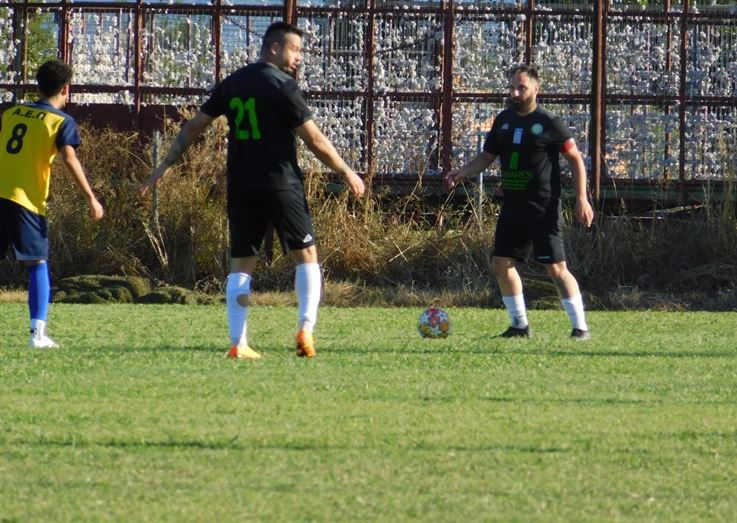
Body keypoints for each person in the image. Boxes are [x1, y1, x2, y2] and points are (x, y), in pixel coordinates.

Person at [140, 21, 365, 360]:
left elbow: (193, 127)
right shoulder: (283, 86)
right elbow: (315, 140)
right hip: (281, 183)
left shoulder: (233, 83)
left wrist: (164, 166)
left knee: (241, 264)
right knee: (306, 256)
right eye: (295, 49)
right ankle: (305, 328)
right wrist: (346, 170)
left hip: (242, 185)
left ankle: (238, 341)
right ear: (274, 48)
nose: (299, 57)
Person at [444, 64, 594, 340]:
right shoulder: (504, 120)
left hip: (543, 207)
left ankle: (580, 327)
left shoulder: (550, 123)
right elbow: (487, 156)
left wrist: (582, 199)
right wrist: (462, 173)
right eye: (512, 87)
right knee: (501, 263)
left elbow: (575, 159)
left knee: (556, 268)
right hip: (512, 206)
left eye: (521, 87)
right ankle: (519, 325)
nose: (515, 93)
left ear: (536, 89)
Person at [0, 59, 105, 348]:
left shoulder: (11, 113)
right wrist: (91, 198)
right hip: (24, 200)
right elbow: (69, 157)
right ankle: (38, 335)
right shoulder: (60, 121)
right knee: (37, 263)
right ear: (66, 89)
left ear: (38, 85)